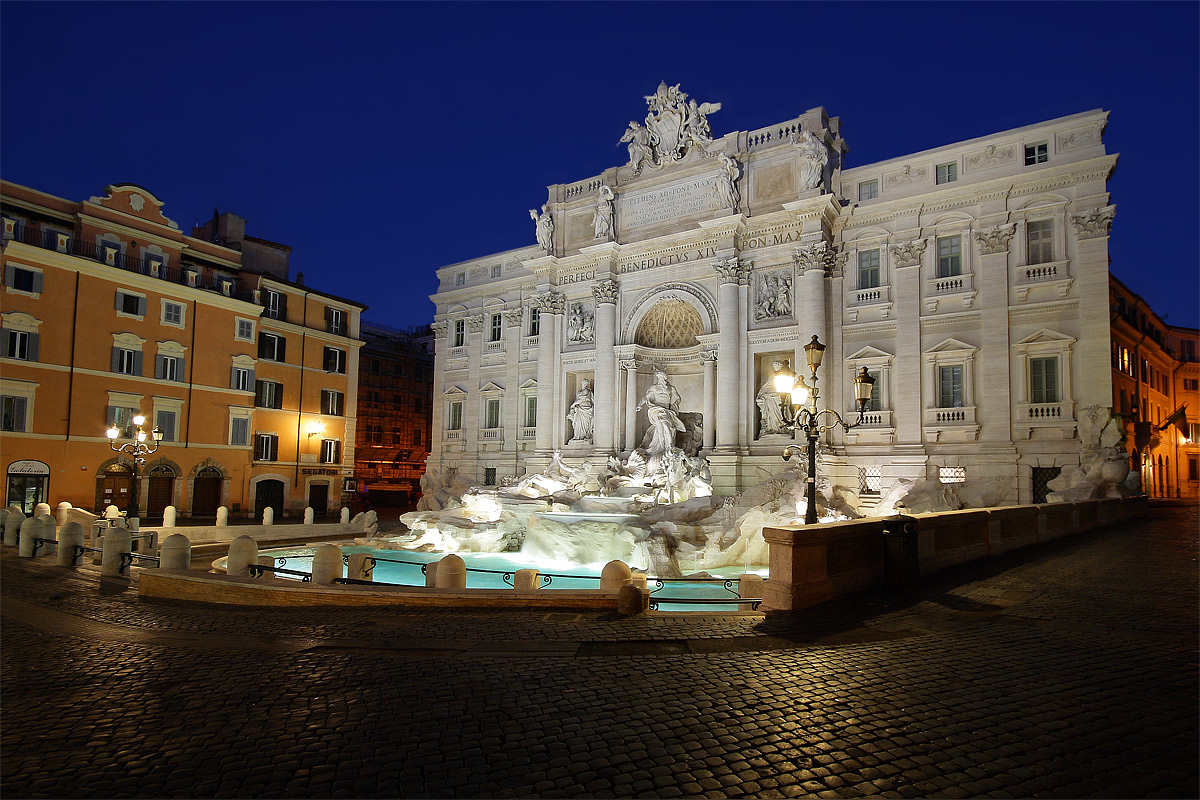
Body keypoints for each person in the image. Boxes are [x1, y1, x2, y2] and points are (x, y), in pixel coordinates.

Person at [636, 370, 685, 456]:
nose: (660, 379)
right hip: (656, 409)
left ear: (665, 377)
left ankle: (665, 446)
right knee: (663, 424)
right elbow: (646, 397)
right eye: (659, 377)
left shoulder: (671, 388)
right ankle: (667, 446)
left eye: (661, 377)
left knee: (666, 426)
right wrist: (640, 404)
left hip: (667, 410)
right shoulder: (654, 388)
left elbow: (678, 398)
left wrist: (674, 406)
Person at [756, 361, 787, 435]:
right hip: (771, 396)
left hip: (780, 397)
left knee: (777, 407)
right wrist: (761, 395)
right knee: (768, 402)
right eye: (774, 367)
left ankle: (779, 425)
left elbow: (786, 391)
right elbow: (766, 386)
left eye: (777, 366)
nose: (775, 368)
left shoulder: (786, 376)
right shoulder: (772, 376)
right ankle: (770, 427)